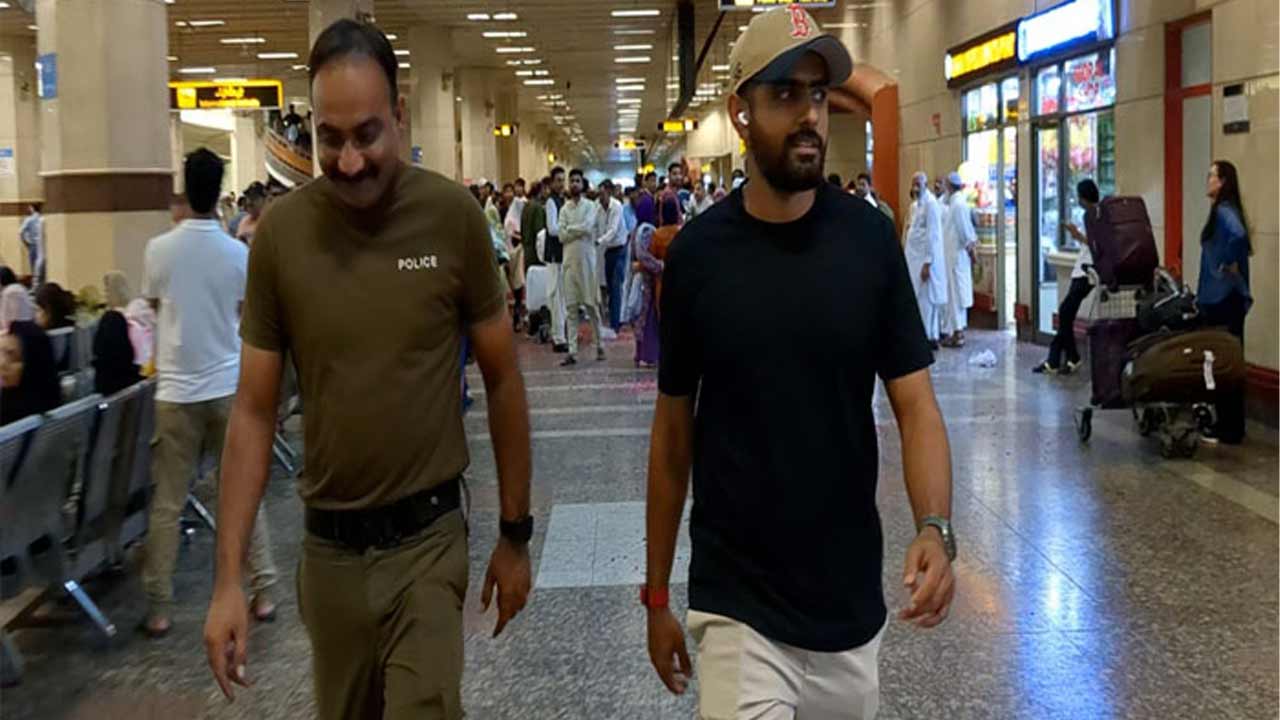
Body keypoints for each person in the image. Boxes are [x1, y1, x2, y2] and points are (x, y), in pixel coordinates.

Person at [203, 20, 533, 719]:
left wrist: (515, 533)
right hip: (329, 556)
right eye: (330, 139)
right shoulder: (282, 238)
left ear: (400, 116)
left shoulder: (450, 218)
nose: (349, 161)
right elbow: (255, 411)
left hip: (428, 542)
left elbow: (504, 378)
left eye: (367, 135)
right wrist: (229, 579)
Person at [645, 9, 955, 719]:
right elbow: (671, 437)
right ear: (741, 113)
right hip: (737, 603)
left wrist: (935, 526)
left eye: (817, 94)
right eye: (785, 93)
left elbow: (916, 408)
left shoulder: (869, 243)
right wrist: (657, 594)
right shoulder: (697, 257)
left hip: (848, 605)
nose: (809, 113)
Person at [138, 148, 280, 639]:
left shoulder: (158, 250)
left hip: (175, 391)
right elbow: (245, 315)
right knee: (242, 488)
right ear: (220, 192)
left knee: (167, 500)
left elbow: (155, 307)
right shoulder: (238, 254)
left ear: (185, 188)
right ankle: (264, 590)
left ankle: (159, 606)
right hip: (227, 386)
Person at [1197, 159, 1252, 445]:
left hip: (1222, 298)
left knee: (1222, 361)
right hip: (1228, 297)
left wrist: (1226, 264)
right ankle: (1232, 424)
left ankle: (1228, 427)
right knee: (1229, 359)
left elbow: (1239, 235)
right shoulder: (1225, 210)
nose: (1207, 180)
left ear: (1223, 182)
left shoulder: (1223, 211)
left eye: (1212, 176)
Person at [1034, 179, 1099, 375]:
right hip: (1082, 270)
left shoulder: (1094, 216)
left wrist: (1076, 234)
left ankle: (1060, 358)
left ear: (1084, 198)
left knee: (1065, 313)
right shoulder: (1095, 215)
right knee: (1066, 315)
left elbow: (1095, 243)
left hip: (1087, 272)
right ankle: (1064, 358)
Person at [558, 169, 605, 366]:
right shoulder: (564, 209)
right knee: (570, 308)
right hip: (569, 262)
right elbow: (561, 236)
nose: (574, 184)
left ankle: (600, 345)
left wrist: (571, 229)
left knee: (591, 305)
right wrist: (575, 230)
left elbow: (587, 227)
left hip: (586, 263)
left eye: (577, 181)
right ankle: (572, 351)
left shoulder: (591, 206)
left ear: (583, 184)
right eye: (572, 181)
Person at [905, 172, 948, 350]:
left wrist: (928, 262)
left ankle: (929, 336)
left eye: (919, 184)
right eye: (913, 184)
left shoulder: (931, 204)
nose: (915, 188)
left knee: (926, 300)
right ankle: (924, 335)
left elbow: (933, 235)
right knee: (917, 299)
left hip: (925, 261)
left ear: (925, 185)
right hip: (914, 259)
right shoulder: (916, 206)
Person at [940, 172, 976, 348]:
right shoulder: (954, 203)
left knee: (956, 296)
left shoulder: (958, 204)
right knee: (954, 295)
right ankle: (955, 331)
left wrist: (971, 249)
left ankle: (958, 332)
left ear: (949, 186)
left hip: (956, 257)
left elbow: (964, 231)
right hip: (953, 257)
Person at [0, 321, 61, 426]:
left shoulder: (16, 419)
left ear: (33, 364)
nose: (2, 363)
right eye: (1, 352)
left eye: (13, 357)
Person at [595, 179, 627, 335]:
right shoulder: (597, 207)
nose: (600, 197)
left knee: (615, 287)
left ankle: (615, 324)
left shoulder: (617, 206)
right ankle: (613, 320)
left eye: (602, 194)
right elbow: (593, 225)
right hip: (607, 251)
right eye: (598, 194)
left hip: (619, 249)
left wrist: (598, 241)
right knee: (608, 286)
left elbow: (613, 230)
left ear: (609, 192)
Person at [544, 167, 569, 352]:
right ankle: (558, 338)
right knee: (556, 297)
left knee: (562, 297)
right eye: (558, 180)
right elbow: (552, 228)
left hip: (562, 254)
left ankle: (561, 335)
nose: (561, 184)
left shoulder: (562, 200)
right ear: (552, 182)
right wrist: (569, 230)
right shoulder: (551, 202)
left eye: (563, 180)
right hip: (554, 255)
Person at [631, 223, 662, 369]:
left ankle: (640, 354)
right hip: (649, 282)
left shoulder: (638, 229)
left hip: (641, 280)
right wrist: (660, 265)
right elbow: (644, 257)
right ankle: (649, 355)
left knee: (641, 318)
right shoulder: (648, 231)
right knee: (647, 318)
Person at [504, 182, 528, 330]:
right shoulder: (506, 213)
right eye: (506, 191)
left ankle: (518, 316)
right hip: (510, 253)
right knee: (515, 284)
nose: (508, 194)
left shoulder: (517, 210)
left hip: (518, 253)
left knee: (518, 285)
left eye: (510, 191)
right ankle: (517, 315)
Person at [19, 202, 44, 286]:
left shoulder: (29, 219)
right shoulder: (42, 218)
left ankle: (36, 285)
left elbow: (21, 232)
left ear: (32, 208)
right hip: (42, 244)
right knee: (42, 265)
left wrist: (27, 242)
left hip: (33, 245)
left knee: (33, 266)